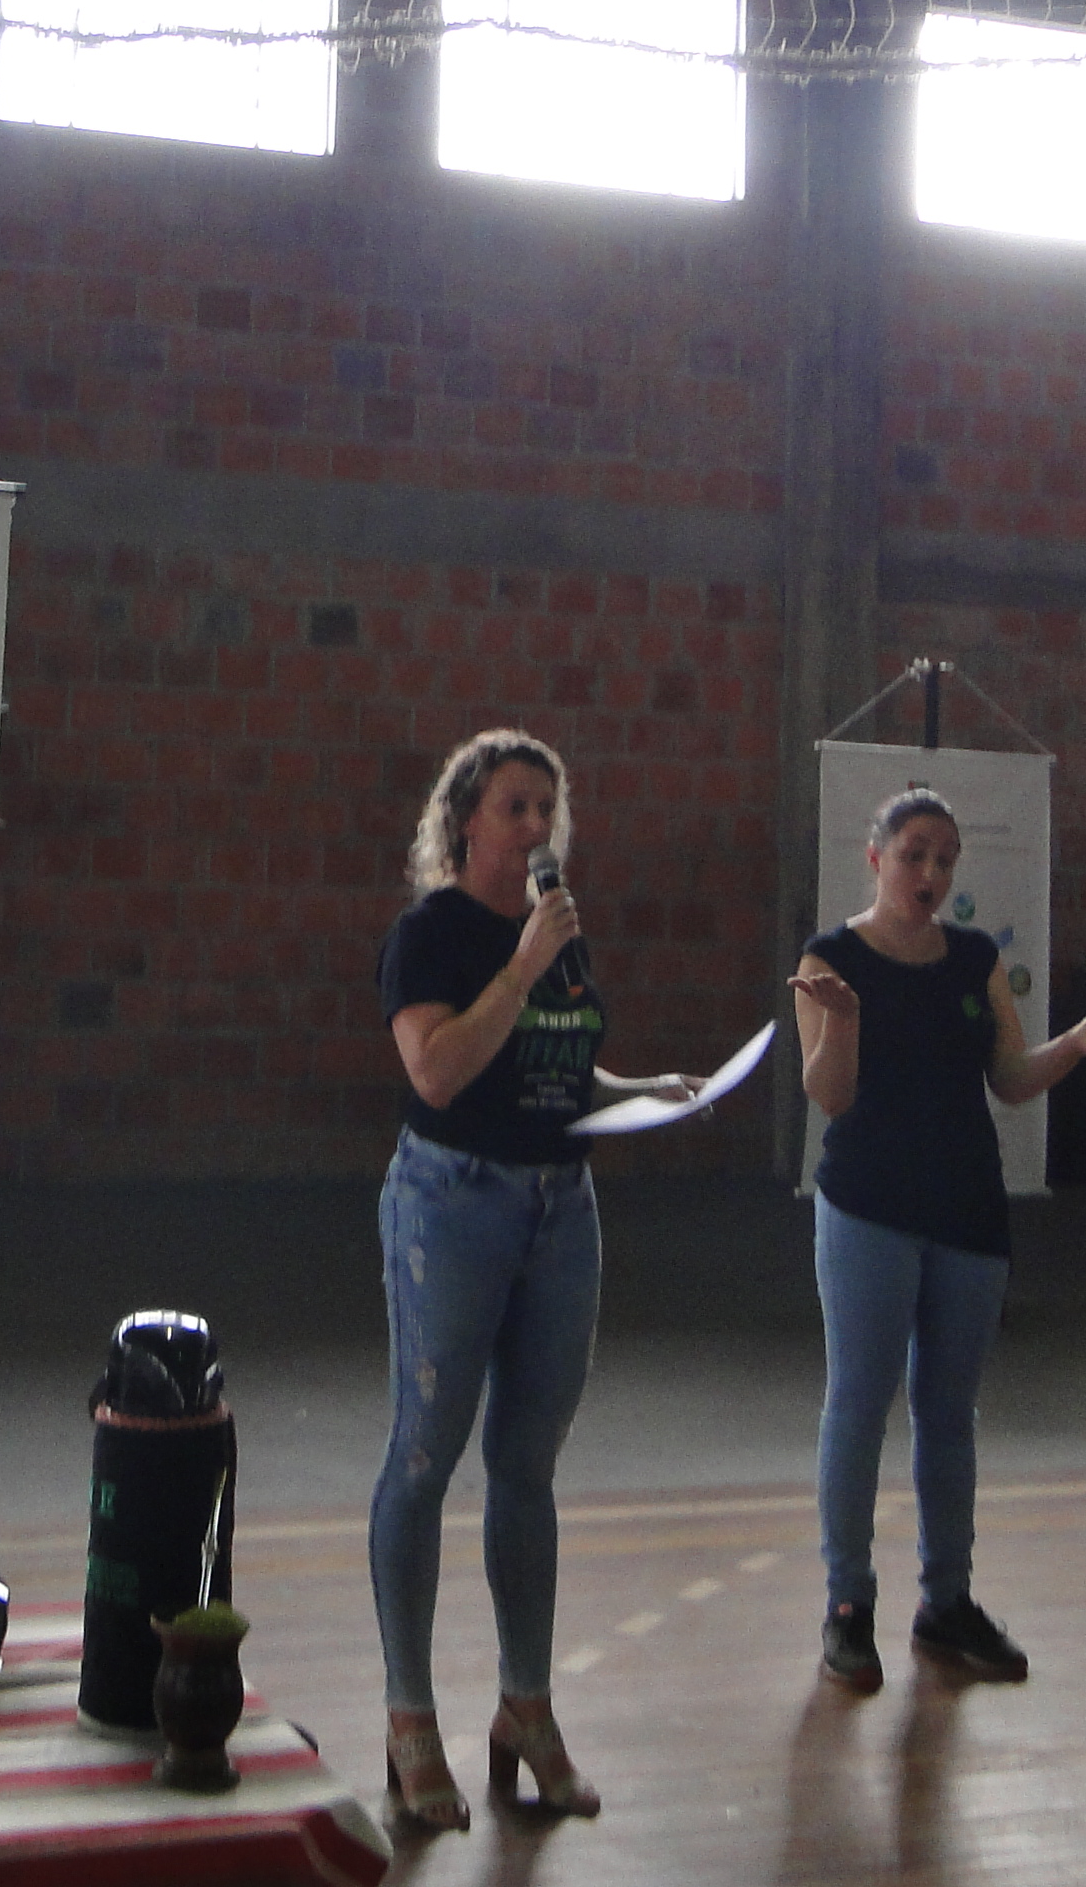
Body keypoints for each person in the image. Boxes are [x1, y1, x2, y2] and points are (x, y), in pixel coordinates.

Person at [369, 729, 700, 1830]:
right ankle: (411, 1719)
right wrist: (519, 965)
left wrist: (643, 1089)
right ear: (465, 820)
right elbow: (440, 1069)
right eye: (515, 807)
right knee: (425, 1454)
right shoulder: (432, 936)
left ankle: (527, 1707)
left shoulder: (558, 937)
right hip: (454, 1200)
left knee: (528, 1467)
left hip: (561, 1209)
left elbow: (554, 1068)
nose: (536, 828)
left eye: (547, 810)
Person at [791, 788, 1086, 1691]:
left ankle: (946, 1601)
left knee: (949, 1414)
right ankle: (848, 1604)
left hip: (968, 1209)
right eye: (914, 853)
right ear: (876, 856)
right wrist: (846, 1019)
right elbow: (829, 1095)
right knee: (859, 1403)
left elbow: (1013, 1079)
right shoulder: (830, 959)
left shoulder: (977, 957)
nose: (931, 872)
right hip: (869, 1205)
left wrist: (1077, 1041)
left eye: (945, 858)